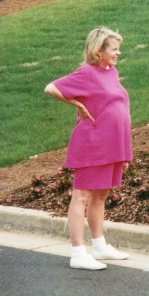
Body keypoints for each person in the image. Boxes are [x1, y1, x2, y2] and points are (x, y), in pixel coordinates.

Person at [44, 28, 133, 270]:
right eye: (114, 49)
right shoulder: (85, 73)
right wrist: (77, 104)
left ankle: (99, 245)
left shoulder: (111, 71)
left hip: (112, 143)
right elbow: (51, 88)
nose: (118, 53)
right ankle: (77, 253)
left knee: (101, 195)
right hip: (92, 144)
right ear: (99, 51)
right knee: (81, 196)